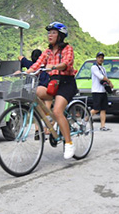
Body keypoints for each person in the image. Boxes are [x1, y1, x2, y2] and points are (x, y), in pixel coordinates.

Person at [26, 22, 79, 159]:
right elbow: (37, 64)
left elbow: (66, 63)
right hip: (53, 83)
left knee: (57, 110)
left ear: (60, 35)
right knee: (35, 92)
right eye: (49, 32)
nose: (50, 35)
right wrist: (25, 72)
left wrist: (54, 66)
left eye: (53, 32)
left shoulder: (68, 49)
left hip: (67, 83)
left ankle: (69, 143)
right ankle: (51, 120)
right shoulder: (47, 51)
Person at [90, 52, 111, 131]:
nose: (100, 59)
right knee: (96, 109)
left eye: (102, 58)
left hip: (103, 91)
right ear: (96, 58)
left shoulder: (103, 68)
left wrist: (108, 82)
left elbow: (104, 78)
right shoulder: (94, 67)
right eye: (99, 57)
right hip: (96, 91)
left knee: (103, 109)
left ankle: (103, 126)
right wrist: (109, 81)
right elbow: (100, 77)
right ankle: (85, 118)